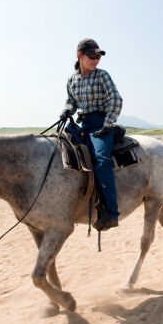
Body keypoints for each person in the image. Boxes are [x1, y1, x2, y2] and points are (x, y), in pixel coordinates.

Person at [60, 38, 123, 231]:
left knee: (101, 159)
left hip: (101, 123)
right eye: (92, 56)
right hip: (83, 123)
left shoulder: (102, 76)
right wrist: (67, 110)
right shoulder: (72, 79)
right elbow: (71, 100)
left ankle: (111, 213)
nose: (96, 60)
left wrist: (108, 123)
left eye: (98, 57)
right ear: (80, 55)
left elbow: (116, 98)